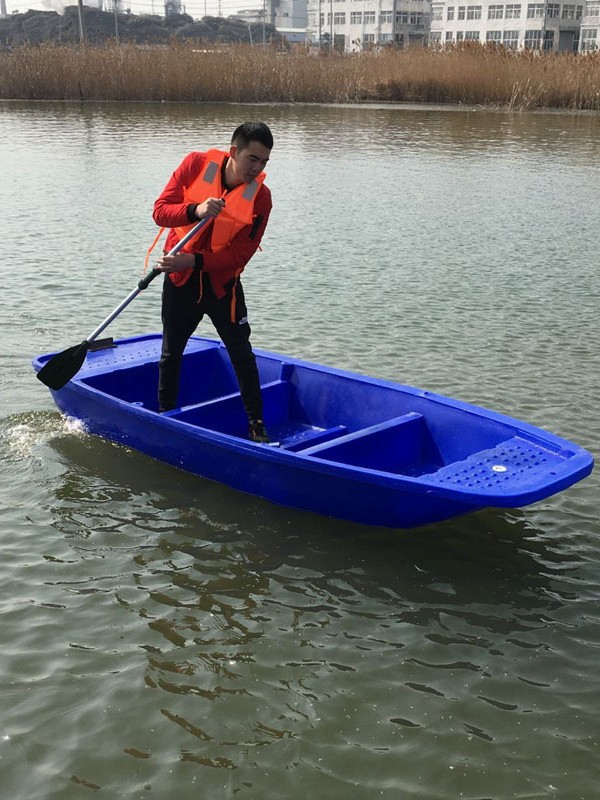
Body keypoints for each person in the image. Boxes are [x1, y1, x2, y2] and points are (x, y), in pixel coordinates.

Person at [152, 121, 273, 443]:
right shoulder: (194, 164)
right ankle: (166, 418)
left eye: (263, 162)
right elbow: (160, 212)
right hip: (180, 280)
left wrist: (195, 260)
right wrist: (196, 210)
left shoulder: (261, 198)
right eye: (252, 159)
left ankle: (257, 426)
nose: (257, 168)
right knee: (170, 353)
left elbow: (241, 254)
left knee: (242, 355)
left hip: (223, 286)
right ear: (234, 152)